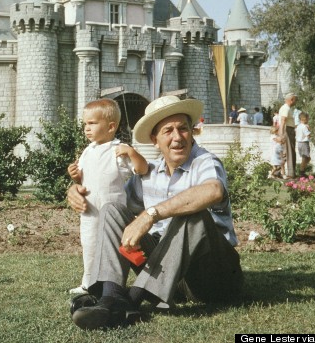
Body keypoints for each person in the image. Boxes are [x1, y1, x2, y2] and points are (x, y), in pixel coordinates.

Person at [67, 95, 242, 330]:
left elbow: (213, 191)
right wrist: (76, 190)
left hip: (213, 276)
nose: (177, 137)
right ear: (155, 140)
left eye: (183, 129)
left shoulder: (205, 161)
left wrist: (150, 214)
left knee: (193, 214)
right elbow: (112, 202)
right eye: (168, 131)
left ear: (192, 133)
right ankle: (111, 296)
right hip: (170, 278)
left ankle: (132, 299)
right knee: (112, 209)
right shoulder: (148, 174)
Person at [67, 98, 149, 294]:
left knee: (112, 249)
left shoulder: (118, 150)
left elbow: (142, 168)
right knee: (89, 245)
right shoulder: (88, 151)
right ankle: (88, 282)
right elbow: (85, 180)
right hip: (89, 211)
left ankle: (113, 283)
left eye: (92, 123)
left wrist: (132, 152)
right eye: (85, 124)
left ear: (111, 126)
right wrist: (76, 176)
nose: (87, 128)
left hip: (112, 212)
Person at [278, 92, 298, 178]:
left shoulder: (287, 108)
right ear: (291, 100)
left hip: (289, 130)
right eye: (295, 100)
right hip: (287, 130)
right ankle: (290, 173)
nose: (296, 102)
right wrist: (281, 134)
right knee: (289, 152)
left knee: (286, 152)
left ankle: (277, 172)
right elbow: (283, 121)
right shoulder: (286, 108)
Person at [295, 113, 311, 177]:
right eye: (308, 118)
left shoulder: (298, 126)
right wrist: (309, 129)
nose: (308, 119)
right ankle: (302, 171)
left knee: (306, 158)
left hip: (299, 143)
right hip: (304, 143)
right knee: (305, 158)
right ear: (305, 119)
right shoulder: (304, 127)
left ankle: (302, 170)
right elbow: (309, 135)